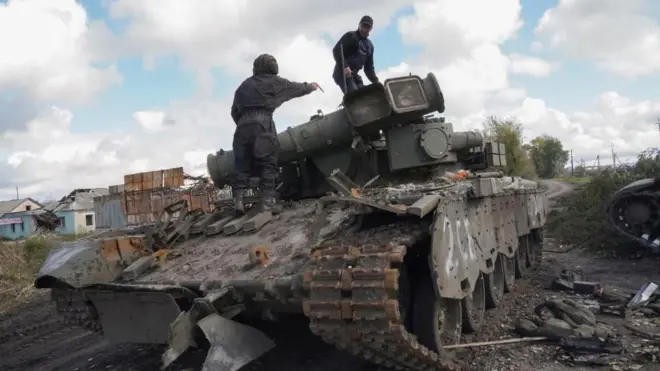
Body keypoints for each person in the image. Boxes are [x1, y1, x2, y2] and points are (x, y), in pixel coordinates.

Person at [230, 54, 320, 215]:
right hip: (262, 122)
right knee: (268, 164)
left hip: (242, 126)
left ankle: (238, 202)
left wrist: (245, 125)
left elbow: (234, 111)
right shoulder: (274, 81)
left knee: (241, 166)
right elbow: (295, 88)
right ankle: (267, 204)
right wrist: (311, 86)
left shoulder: (244, 85)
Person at [332, 15, 379, 94]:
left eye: (368, 27)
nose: (364, 29)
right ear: (359, 25)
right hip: (342, 73)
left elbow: (369, 68)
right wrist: (345, 66)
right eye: (363, 26)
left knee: (366, 95)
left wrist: (376, 81)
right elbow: (336, 51)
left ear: (371, 29)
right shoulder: (350, 36)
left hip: (354, 76)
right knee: (356, 97)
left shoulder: (369, 46)